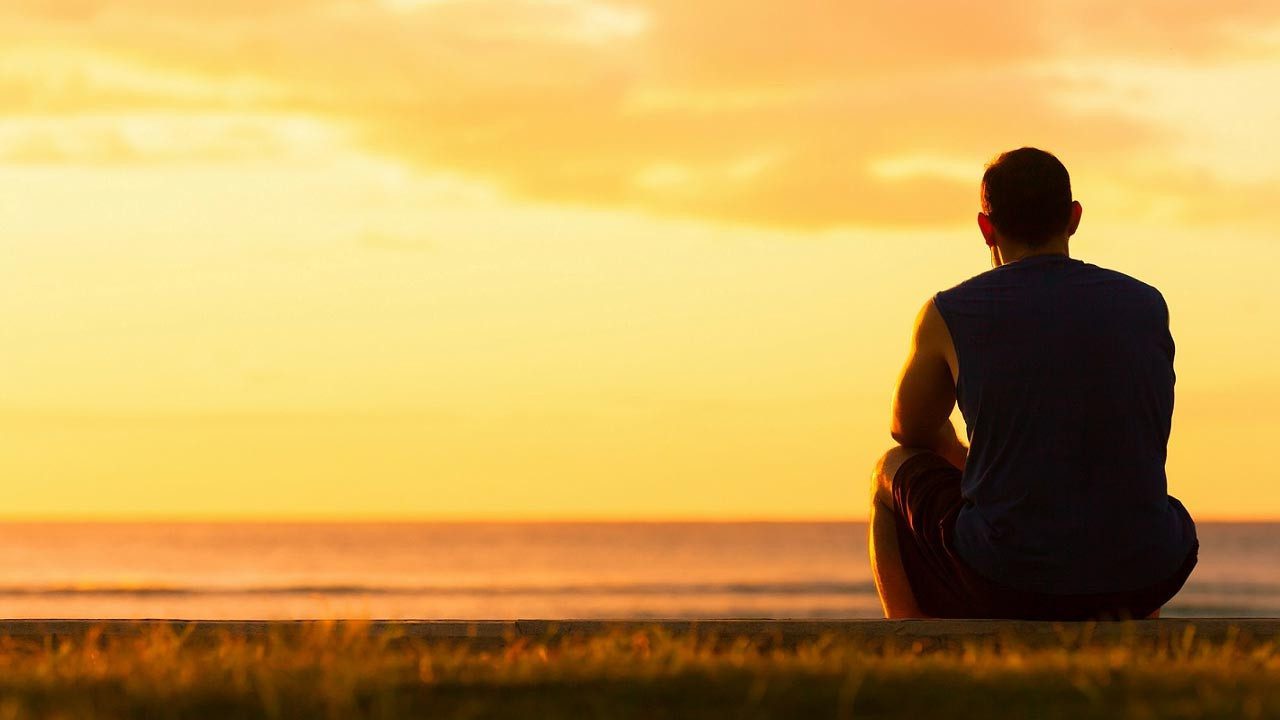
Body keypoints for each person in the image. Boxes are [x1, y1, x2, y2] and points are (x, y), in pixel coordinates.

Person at [869, 147, 1198, 620]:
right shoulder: (1147, 305)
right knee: (1138, 508)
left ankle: (908, 644)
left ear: (986, 227)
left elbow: (908, 429)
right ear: (1073, 218)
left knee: (889, 467)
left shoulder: (950, 312)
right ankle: (1132, 643)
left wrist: (964, 460)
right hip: (1148, 574)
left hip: (1008, 577)